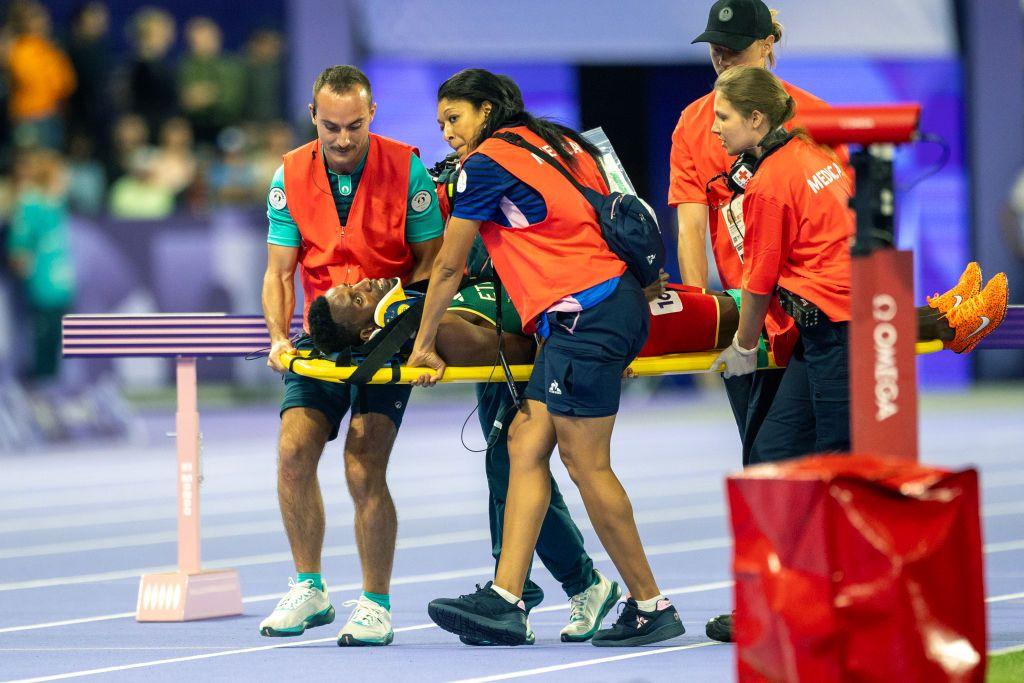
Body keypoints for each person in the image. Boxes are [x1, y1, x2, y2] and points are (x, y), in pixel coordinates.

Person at [404, 68, 684, 648]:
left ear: (486, 111)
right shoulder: (565, 142)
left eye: (454, 119)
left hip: (587, 316)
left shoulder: (485, 165)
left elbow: (450, 266)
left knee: (588, 467)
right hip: (607, 309)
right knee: (525, 442)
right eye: (441, 124)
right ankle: (506, 599)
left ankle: (651, 604)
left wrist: (424, 343)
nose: (448, 133)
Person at [709, 65, 1009, 458]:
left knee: (840, 461)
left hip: (834, 328)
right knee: (770, 455)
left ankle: (952, 322)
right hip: (830, 323)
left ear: (755, 118)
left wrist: (744, 347)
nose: (715, 128)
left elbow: (760, 280)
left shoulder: (768, 183)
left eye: (722, 117)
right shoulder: (815, 152)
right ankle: (946, 315)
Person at [673, 0, 843, 644]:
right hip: (755, 319)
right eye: (716, 45)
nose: (722, 54)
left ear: (770, 43)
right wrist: (700, 314)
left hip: (809, 318)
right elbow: (692, 219)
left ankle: (801, 599)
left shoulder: (817, 120)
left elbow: (842, 217)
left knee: (802, 460)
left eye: (737, 43)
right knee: (765, 463)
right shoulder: (695, 124)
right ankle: (780, 597)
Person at [258, 65, 444, 646]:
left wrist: (405, 326)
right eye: (331, 126)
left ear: (372, 116)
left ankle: (375, 603)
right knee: (293, 452)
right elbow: (278, 272)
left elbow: (434, 262)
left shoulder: (406, 168)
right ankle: (309, 587)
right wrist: (278, 338)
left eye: (355, 126)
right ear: (313, 116)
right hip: (325, 333)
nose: (342, 139)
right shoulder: (289, 174)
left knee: (364, 463)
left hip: (389, 332)